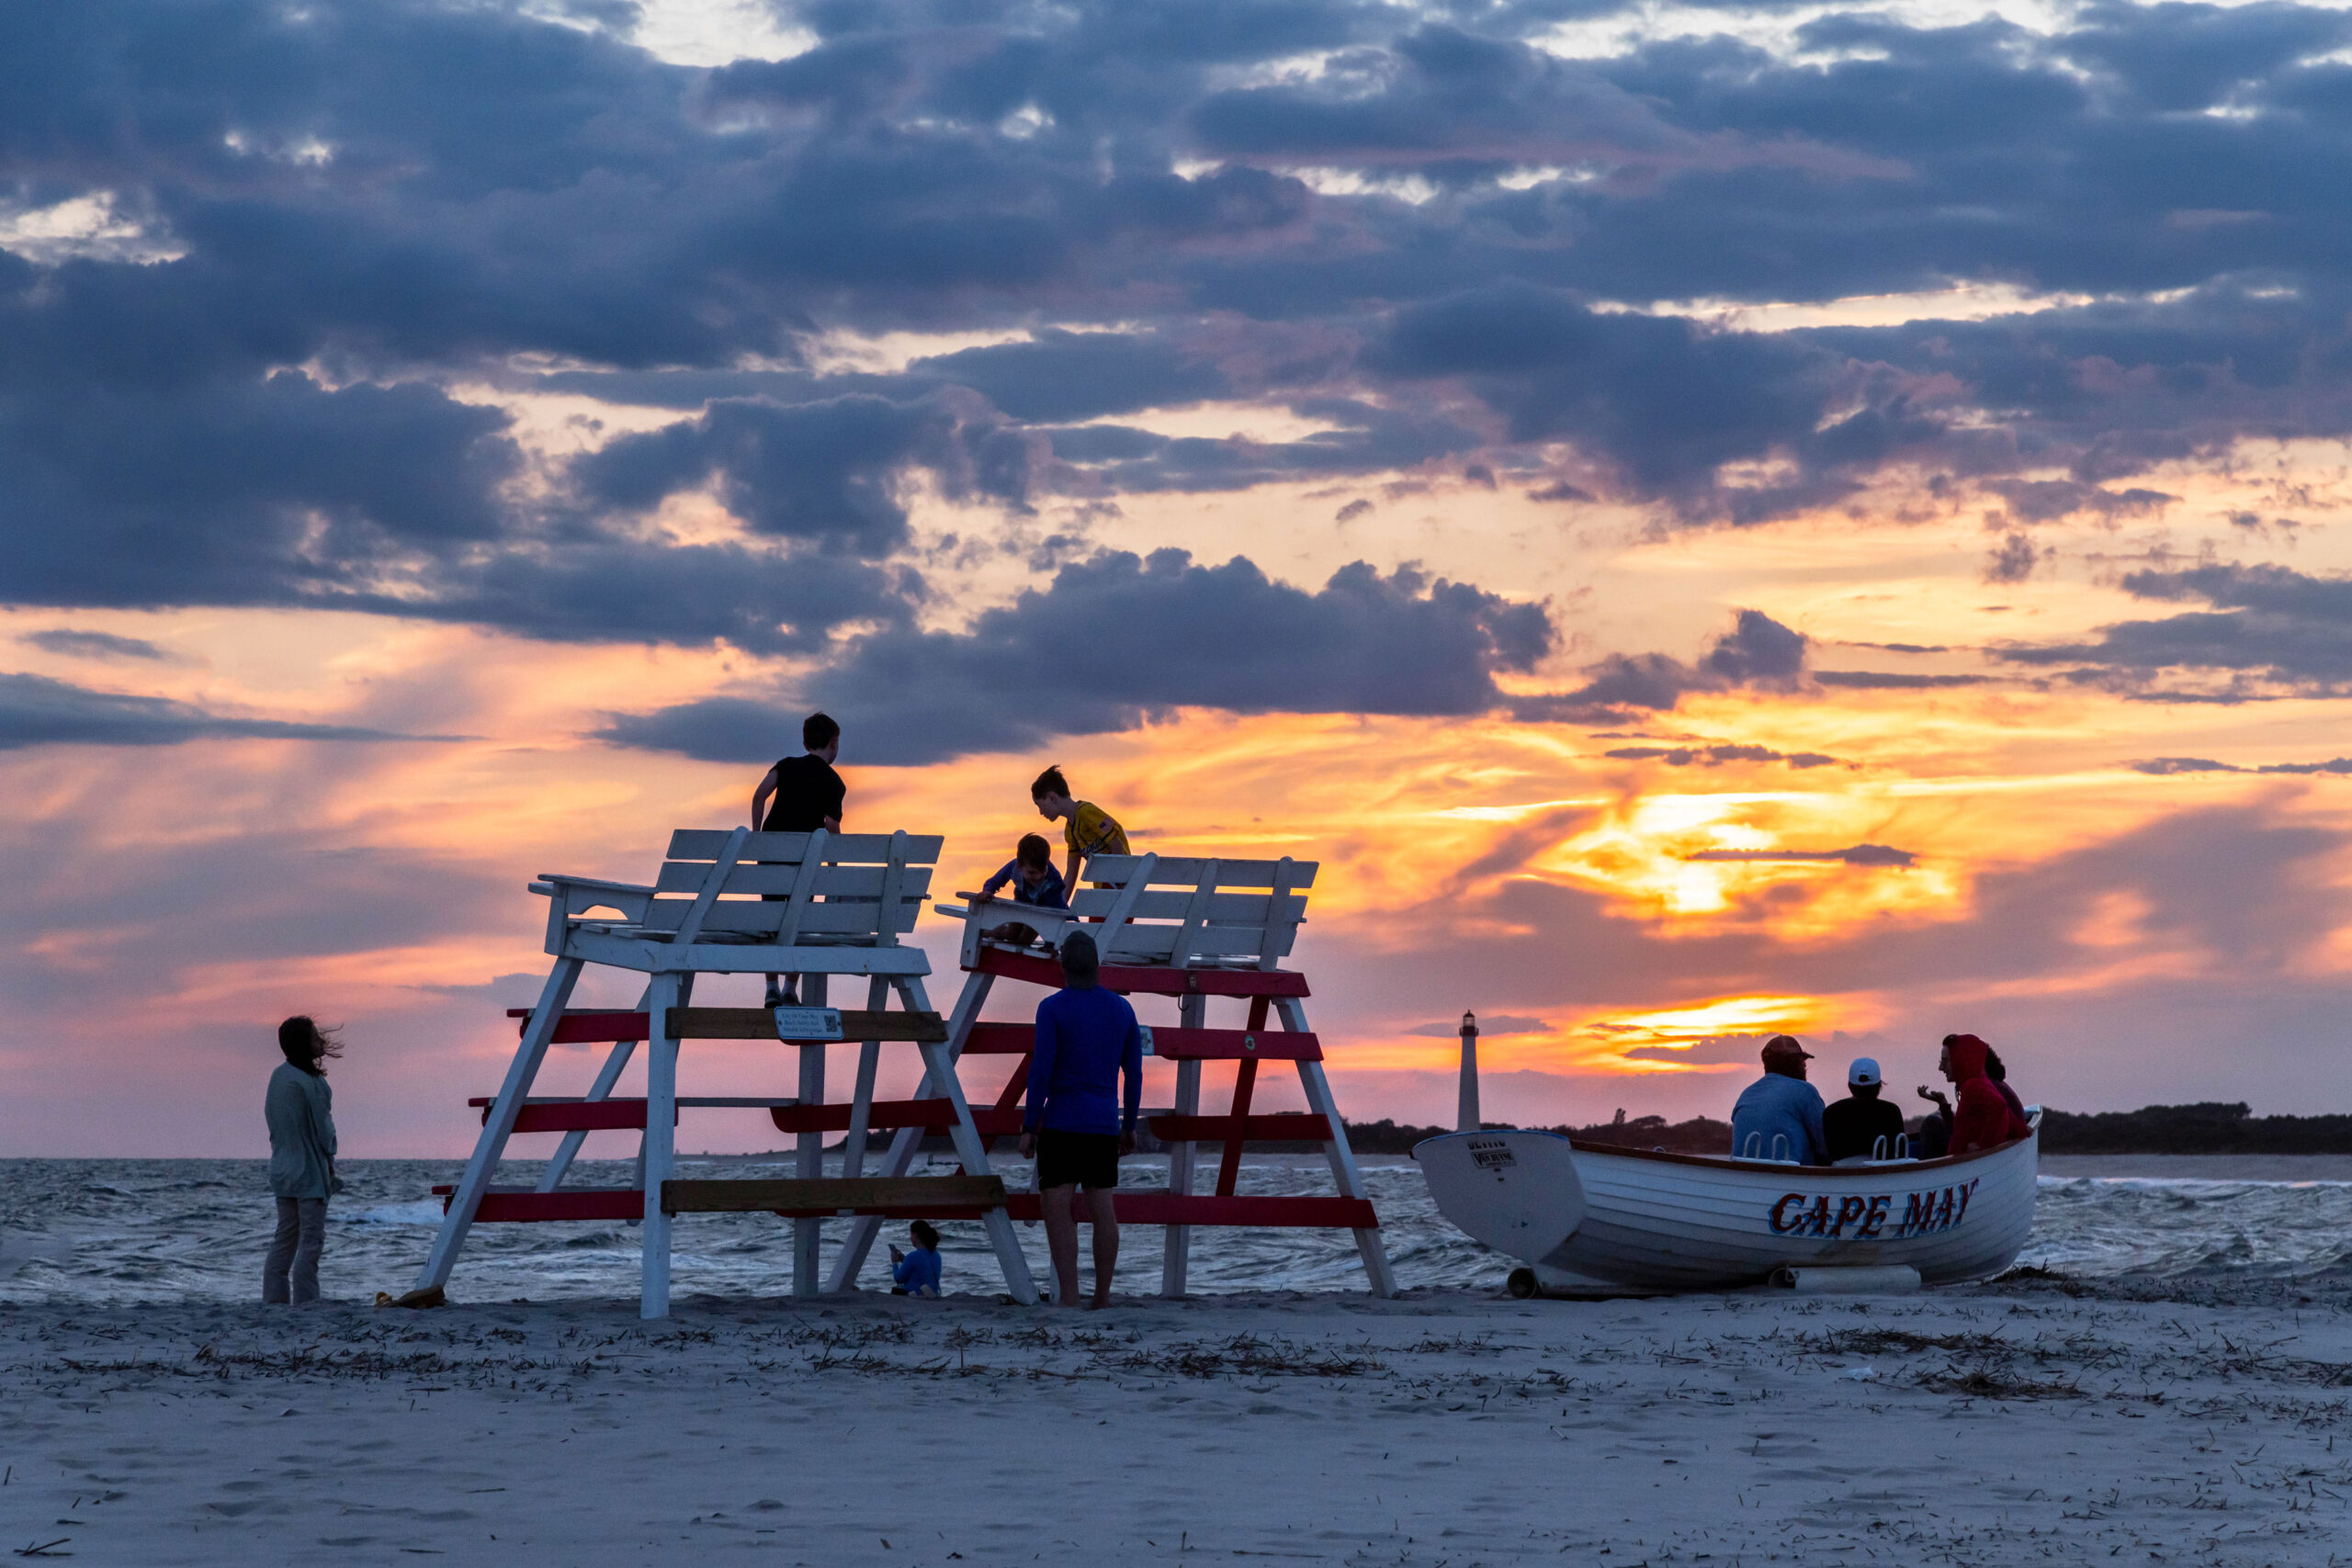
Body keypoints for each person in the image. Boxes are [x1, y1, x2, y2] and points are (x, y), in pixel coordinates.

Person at [1018, 930, 1143, 1308]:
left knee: (1057, 1209)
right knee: (1103, 1210)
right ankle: (1102, 1298)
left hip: (1060, 1123)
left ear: (1062, 967)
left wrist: (1029, 1126)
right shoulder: (1122, 1009)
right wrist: (1129, 1125)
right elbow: (1134, 1073)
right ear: (1097, 965)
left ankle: (1069, 1297)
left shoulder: (1052, 1008)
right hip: (1103, 1124)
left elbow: (1041, 1071)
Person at [751, 712, 844, 1006]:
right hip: (806, 861)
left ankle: (770, 988)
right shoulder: (834, 782)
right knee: (799, 923)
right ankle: (791, 989)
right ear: (832, 742)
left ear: (805, 742)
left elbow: (758, 797)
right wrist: (834, 860)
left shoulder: (786, 766)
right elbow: (830, 823)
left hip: (773, 856)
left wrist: (758, 838)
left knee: (771, 921)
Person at [264, 1016, 343, 1305]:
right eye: (314, 1037)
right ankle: (307, 1303)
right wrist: (331, 1158)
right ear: (303, 1045)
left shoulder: (279, 1076)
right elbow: (324, 1131)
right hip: (309, 1172)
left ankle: (274, 1302)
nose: (320, 1040)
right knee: (311, 1243)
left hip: (282, 1167)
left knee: (284, 1239)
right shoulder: (313, 1083)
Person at [1728, 1035, 1827, 1165]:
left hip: (1742, 1175)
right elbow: (1825, 1145)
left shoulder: (1746, 1094)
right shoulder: (1806, 1091)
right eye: (1803, 1062)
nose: (1805, 1066)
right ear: (1799, 1064)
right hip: (1792, 1177)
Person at [1030, 765, 1127, 887]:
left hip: (1118, 887)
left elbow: (1117, 845)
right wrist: (1061, 905)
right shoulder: (1070, 831)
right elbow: (1071, 874)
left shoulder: (1086, 812)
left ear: (1052, 797)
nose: (1041, 812)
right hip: (1103, 891)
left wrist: (1116, 884)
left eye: (1039, 805)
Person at [1942, 1032, 2030, 1155]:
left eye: (1946, 1061)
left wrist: (1984, 1144)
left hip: (1959, 1166)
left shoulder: (1973, 1087)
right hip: (1962, 1164)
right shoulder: (1978, 1083)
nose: (1941, 1068)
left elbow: (1999, 1106)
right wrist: (2022, 1130)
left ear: (1959, 1059)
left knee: (1931, 1123)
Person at [977, 832, 1069, 947]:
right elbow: (995, 881)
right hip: (1021, 906)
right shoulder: (1014, 867)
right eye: (1032, 872)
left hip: (1042, 914)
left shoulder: (1053, 882)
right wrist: (988, 891)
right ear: (1020, 866)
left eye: (1043, 870)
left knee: (1024, 940)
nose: (1039, 876)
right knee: (1011, 934)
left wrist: (1050, 945)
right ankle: (989, 931)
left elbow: (1056, 914)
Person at [1823, 1056, 1907, 1163]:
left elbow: (1829, 1152)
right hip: (1885, 1173)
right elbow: (1900, 1151)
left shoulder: (1831, 1112)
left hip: (1843, 1174)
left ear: (1849, 1086)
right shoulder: (1891, 1111)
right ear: (1879, 1086)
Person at [889, 1220, 943, 1298]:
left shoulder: (913, 1256)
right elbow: (924, 1272)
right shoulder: (937, 1255)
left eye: (911, 1234)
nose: (910, 1238)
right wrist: (904, 1261)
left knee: (895, 1290)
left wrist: (894, 1263)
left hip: (916, 1296)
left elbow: (898, 1279)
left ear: (916, 1235)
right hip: (933, 1295)